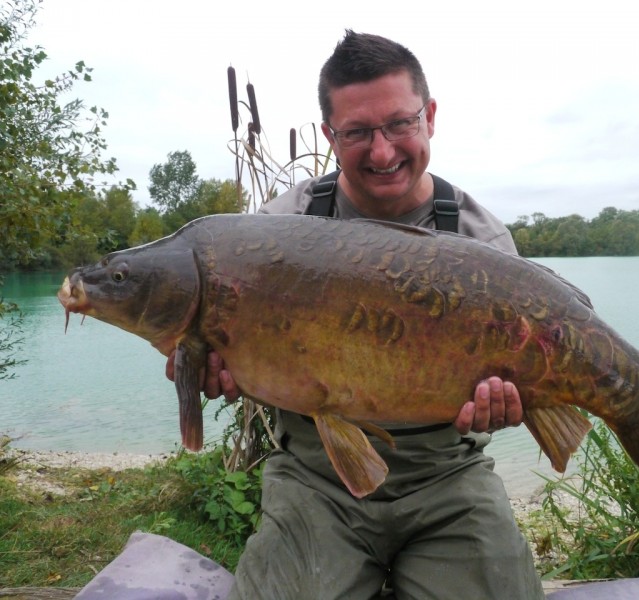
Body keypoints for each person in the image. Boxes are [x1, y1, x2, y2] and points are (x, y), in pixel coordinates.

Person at [169, 30, 545, 600]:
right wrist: (218, 370)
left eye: (399, 124)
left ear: (431, 117)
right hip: (315, 476)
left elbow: (523, 379)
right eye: (358, 133)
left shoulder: (481, 241)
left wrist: (516, 403)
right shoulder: (275, 231)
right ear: (329, 135)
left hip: (447, 476)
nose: (383, 151)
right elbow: (235, 358)